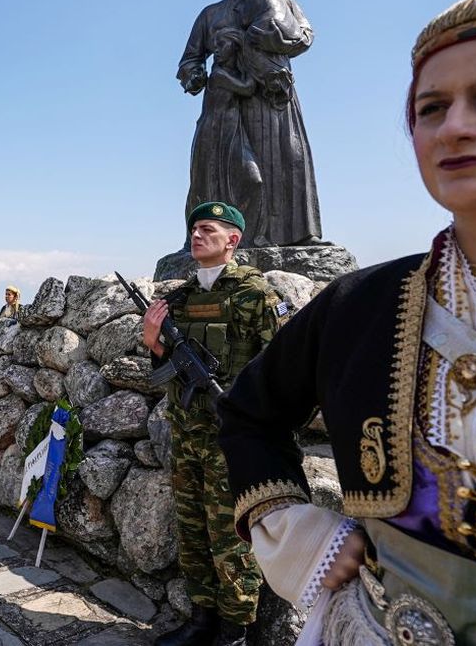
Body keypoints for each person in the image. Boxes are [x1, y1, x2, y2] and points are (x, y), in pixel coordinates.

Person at [218, 0, 476, 646]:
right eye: (431, 108)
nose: (456, 125)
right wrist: (296, 531)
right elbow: (247, 411)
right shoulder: (360, 305)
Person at [141, 201, 285, 646]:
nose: (196, 235)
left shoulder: (256, 295)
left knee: (231, 535)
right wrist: (154, 342)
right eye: (194, 229)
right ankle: (201, 618)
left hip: (232, 439)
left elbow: (280, 368)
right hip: (188, 433)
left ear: (233, 240)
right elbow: (162, 365)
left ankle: (234, 630)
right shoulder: (180, 299)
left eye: (207, 229)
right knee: (192, 528)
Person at [177, 0, 321, 247]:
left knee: (286, 159)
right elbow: (189, 60)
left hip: (270, 99)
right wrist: (195, 76)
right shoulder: (211, 14)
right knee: (221, 173)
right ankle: (220, 241)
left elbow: (305, 34)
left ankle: (298, 234)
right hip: (225, 104)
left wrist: (269, 35)